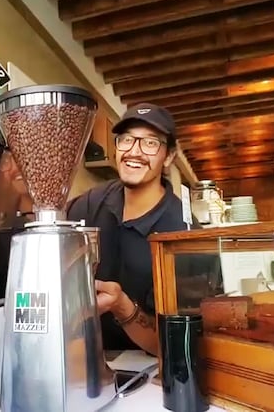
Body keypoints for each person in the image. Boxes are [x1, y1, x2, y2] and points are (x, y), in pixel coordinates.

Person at [66, 102, 199, 356]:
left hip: (152, 370)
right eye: (126, 140)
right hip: (88, 361)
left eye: (150, 143)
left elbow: (178, 346)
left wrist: (122, 306)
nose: (134, 152)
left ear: (169, 156)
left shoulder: (184, 233)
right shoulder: (96, 200)